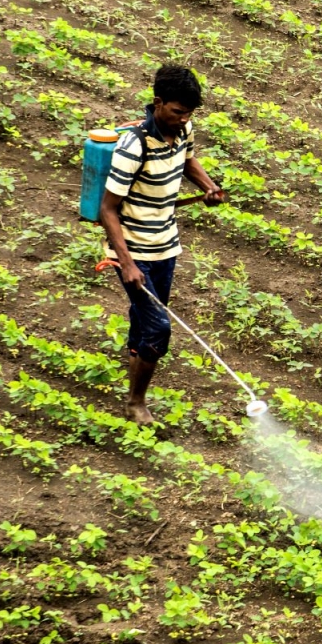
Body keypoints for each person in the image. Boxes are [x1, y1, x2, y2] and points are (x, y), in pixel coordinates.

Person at [101, 64, 224, 424]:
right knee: (158, 327)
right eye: (177, 112)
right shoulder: (133, 145)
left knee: (145, 321)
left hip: (165, 245)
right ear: (158, 103)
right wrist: (126, 263)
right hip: (133, 249)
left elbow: (187, 160)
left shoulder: (182, 129)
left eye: (189, 113)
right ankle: (136, 403)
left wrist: (208, 186)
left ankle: (133, 384)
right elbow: (108, 210)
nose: (184, 119)